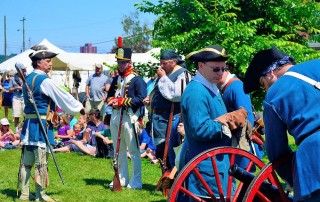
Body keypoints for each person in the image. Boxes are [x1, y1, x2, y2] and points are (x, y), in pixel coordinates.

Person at [243, 46, 320, 201]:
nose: (265, 90)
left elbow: (277, 153)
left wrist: (294, 178)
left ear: (270, 74)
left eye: (262, 84)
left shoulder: (274, 93)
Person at [178, 45, 247, 200]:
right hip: (206, 168)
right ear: (201, 66)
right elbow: (201, 129)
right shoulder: (196, 92)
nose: (221, 73)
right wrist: (229, 122)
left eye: (224, 68)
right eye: (216, 69)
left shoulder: (210, 87)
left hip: (216, 164)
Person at [19, 45, 85, 202]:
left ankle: (24, 193)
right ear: (39, 62)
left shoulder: (27, 78)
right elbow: (62, 95)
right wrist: (79, 107)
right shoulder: (44, 80)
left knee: (27, 162)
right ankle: (40, 195)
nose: (50, 64)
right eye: (48, 61)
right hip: (41, 125)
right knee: (40, 162)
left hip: (29, 124)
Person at [107, 46, 147, 189]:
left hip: (130, 117)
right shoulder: (116, 78)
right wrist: (112, 100)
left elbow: (141, 98)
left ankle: (136, 181)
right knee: (119, 149)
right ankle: (122, 178)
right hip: (116, 116)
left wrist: (121, 102)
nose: (120, 65)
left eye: (123, 62)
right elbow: (109, 95)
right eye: (119, 62)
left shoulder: (137, 79)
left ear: (129, 63)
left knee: (134, 150)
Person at [143, 49, 190, 164]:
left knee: (170, 153)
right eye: (161, 63)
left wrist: (163, 78)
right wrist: (151, 99)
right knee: (161, 153)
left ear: (174, 62)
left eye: (164, 63)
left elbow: (176, 95)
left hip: (172, 119)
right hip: (160, 120)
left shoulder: (182, 73)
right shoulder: (164, 73)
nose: (161, 66)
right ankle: (166, 178)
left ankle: (172, 179)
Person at [217, 67, 264, 169]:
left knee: (245, 177)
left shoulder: (236, 86)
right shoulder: (230, 87)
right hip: (236, 139)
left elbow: (247, 117)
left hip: (242, 142)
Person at [9, 64, 27, 132]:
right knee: (16, 115)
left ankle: (25, 129)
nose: (24, 71)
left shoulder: (27, 77)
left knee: (26, 114)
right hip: (16, 98)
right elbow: (10, 89)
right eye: (23, 69)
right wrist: (16, 88)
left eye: (24, 69)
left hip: (25, 98)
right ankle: (17, 130)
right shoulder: (13, 78)